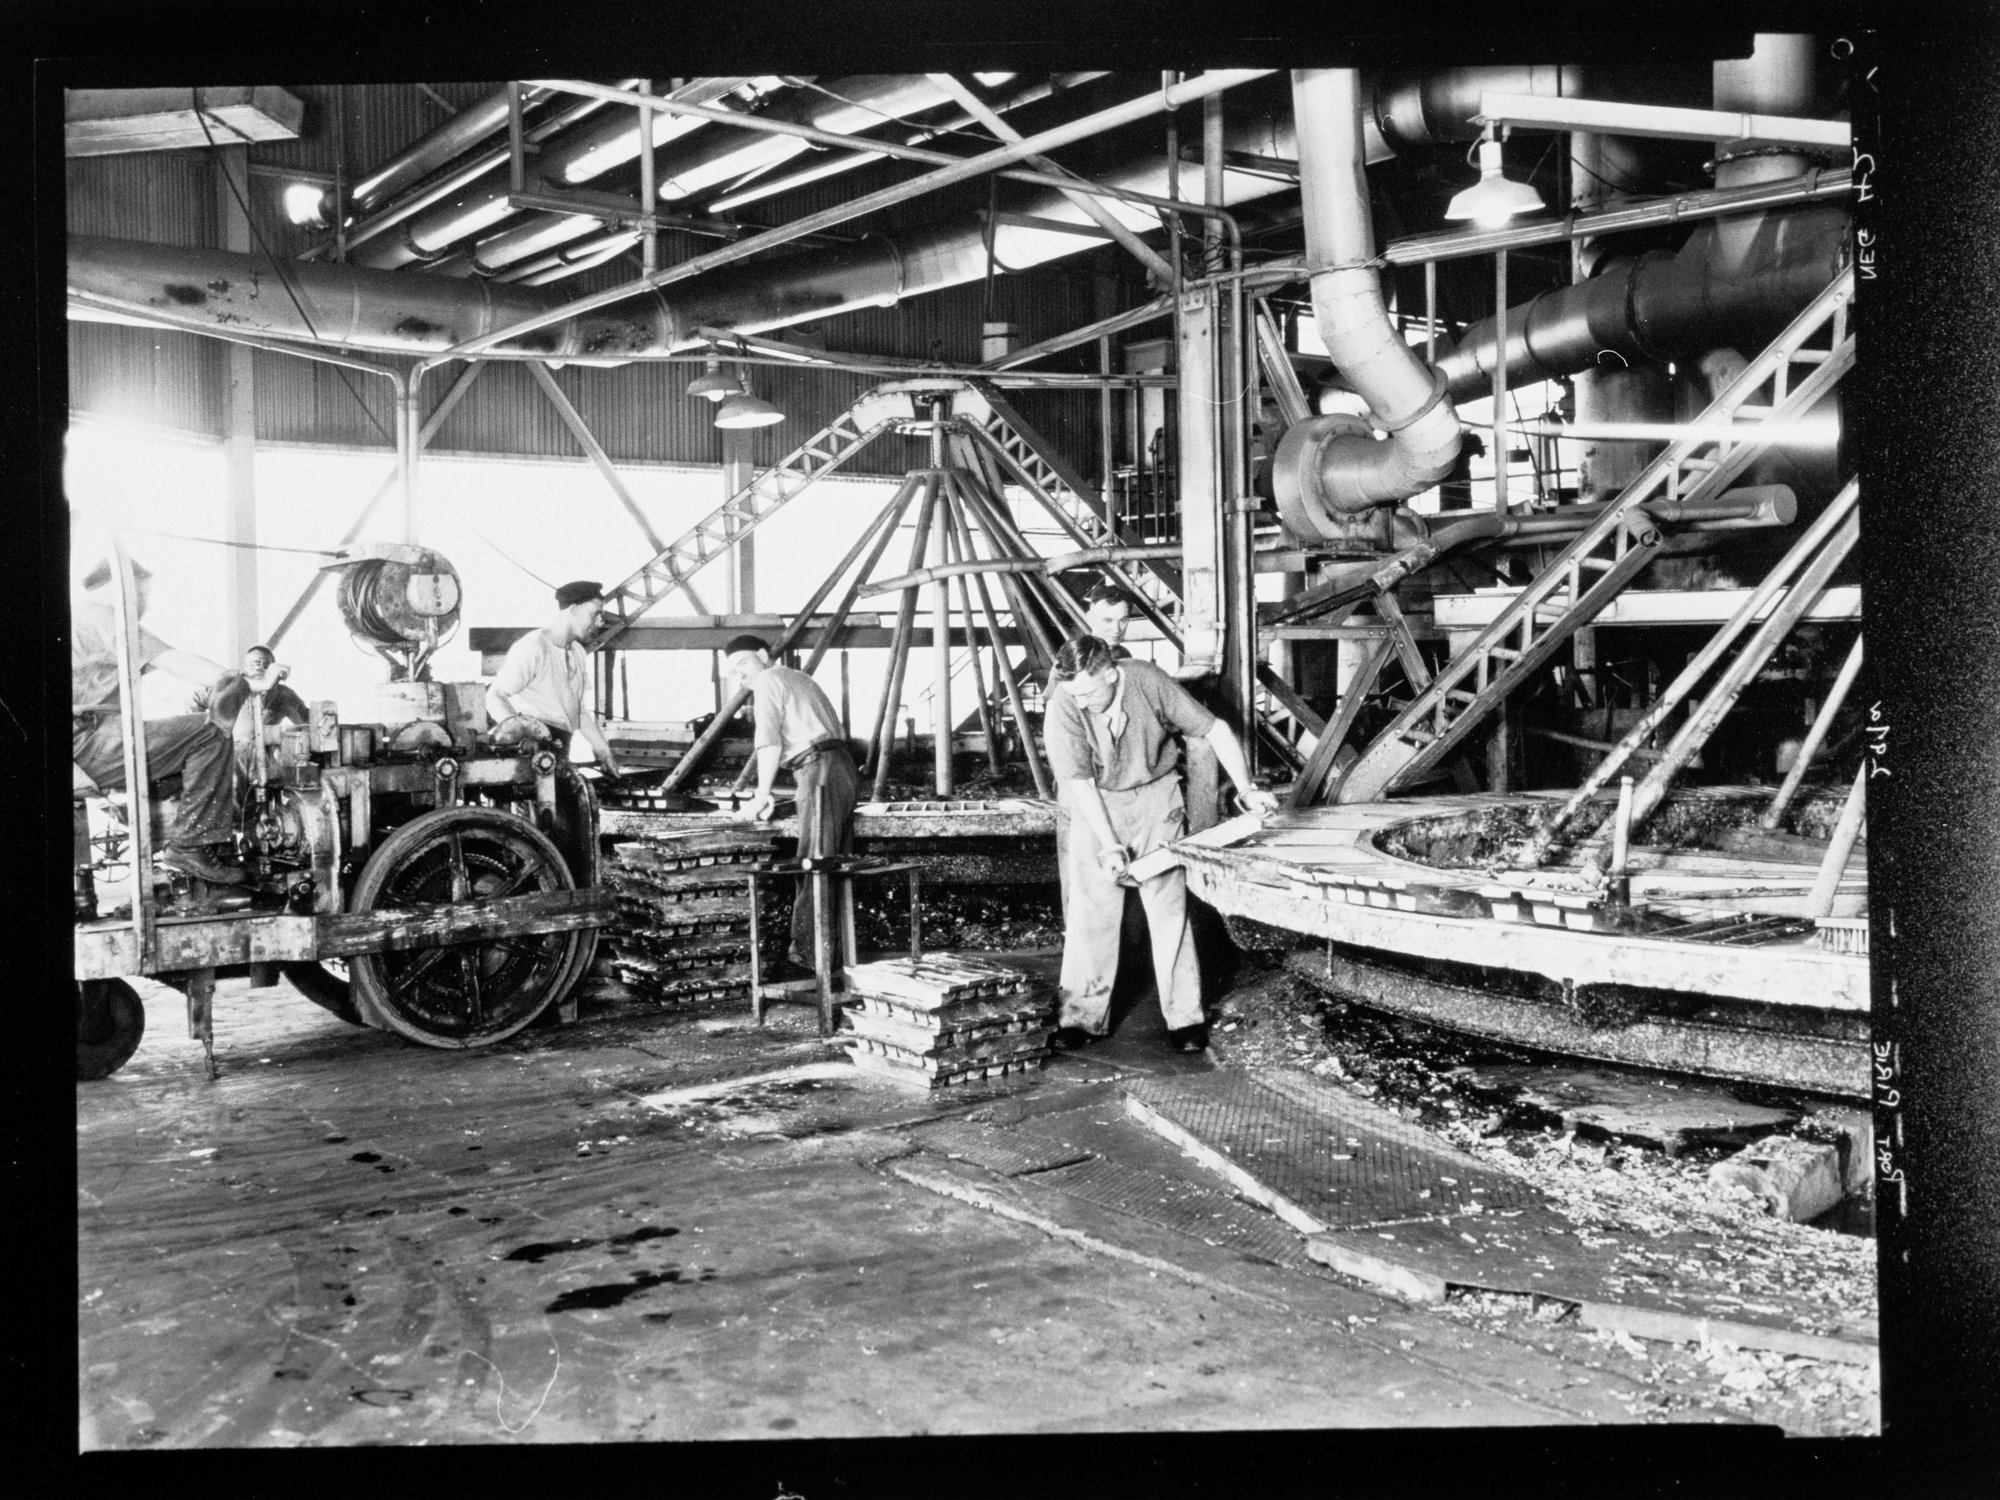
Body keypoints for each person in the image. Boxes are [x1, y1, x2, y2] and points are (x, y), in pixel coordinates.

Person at [1043, 634, 1278, 1053]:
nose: (1080, 702)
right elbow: (1078, 783)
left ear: (1112, 675)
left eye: (1088, 693)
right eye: (1074, 693)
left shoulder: (1148, 680)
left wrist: (1246, 789)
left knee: (1168, 908)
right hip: (1098, 801)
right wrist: (1110, 845)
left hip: (1156, 795)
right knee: (1091, 908)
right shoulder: (1064, 701)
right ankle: (1080, 1017)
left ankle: (1185, 1019)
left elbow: (1216, 729)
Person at [71, 558, 247, 884]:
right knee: (210, 732)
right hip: (89, 740)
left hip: (84, 742)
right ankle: (192, 845)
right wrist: (241, 679)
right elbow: (174, 662)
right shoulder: (107, 618)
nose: (146, 605)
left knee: (185, 760)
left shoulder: (80, 617)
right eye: (144, 594)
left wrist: (218, 676)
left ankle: (196, 845)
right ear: (125, 584)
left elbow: (167, 663)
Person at [721, 635, 858, 971]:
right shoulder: (795, 677)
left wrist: (761, 796)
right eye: (733, 671)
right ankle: (830, 958)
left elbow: (768, 745)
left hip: (820, 770)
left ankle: (811, 959)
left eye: (743, 664)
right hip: (835, 768)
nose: (740, 676)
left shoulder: (768, 680)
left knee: (815, 863)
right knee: (831, 863)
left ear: (764, 656)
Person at [485, 579, 624, 776]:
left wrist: (604, 753)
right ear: (574, 610)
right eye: (595, 614)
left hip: (560, 749)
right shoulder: (533, 647)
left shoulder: (577, 651)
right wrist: (522, 737)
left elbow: (578, 711)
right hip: (531, 752)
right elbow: (495, 695)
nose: (599, 622)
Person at [193, 643, 310, 779]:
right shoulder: (231, 689)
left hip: (265, 765)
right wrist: (204, 735)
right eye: (253, 664)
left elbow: (306, 723)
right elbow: (194, 700)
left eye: (264, 665)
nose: (258, 669)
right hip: (231, 762)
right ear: (244, 668)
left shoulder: (283, 695)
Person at [1081, 578, 1136, 657]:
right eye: (1108, 620)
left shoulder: (1123, 653)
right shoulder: (1078, 654)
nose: (1116, 630)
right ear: (1090, 619)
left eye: (1123, 620)